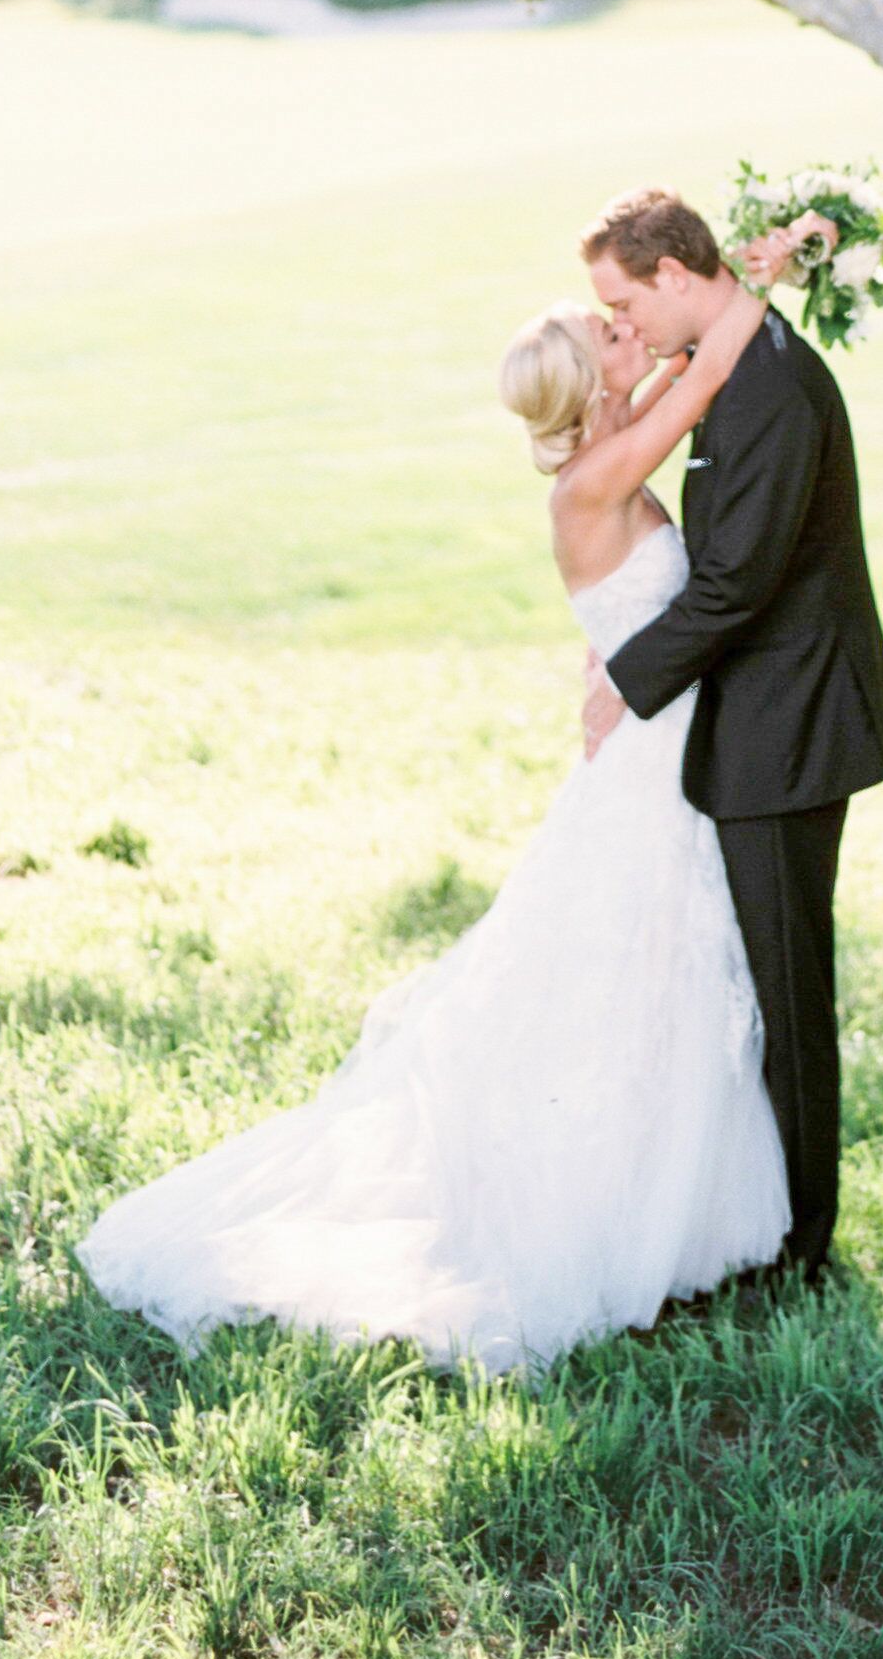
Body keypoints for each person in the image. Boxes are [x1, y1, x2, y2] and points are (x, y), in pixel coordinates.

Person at [74, 274, 788, 1372]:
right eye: (609, 330)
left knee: (656, 969)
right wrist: (768, 259)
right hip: (646, 759)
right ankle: (608, 1210)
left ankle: (666, 1208)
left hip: (660, 745)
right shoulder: (597, 475)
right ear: (586, 378)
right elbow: (714, 362)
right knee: (633, 967)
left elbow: (673, 391)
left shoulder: (610, 442)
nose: (626, 330)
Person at [580, 186, 883, 1281]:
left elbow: (736, 582)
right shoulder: (740, 355)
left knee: (787, 992)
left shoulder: (766, 386)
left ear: (674, 271)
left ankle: (804, 1250)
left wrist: (622, 683)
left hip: (791, 725)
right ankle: (769, 1219)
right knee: (765, 987)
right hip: (767, 718)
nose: (627, 324)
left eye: (625, 299)